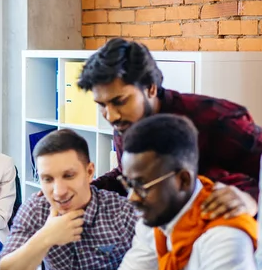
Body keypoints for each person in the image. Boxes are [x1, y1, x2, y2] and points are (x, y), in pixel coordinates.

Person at [14, 115, 258, 270]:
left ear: (182, 180)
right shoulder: (158, 218)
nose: (131, 197)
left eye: (141, 185)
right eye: (128, 184)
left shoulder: (223, 238)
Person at [77, 37, 262, 214]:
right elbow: (129, 175)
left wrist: (251, 198)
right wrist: (83, 192)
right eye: (102, 105)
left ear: (150, 88)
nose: (111, 116)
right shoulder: (125, 122)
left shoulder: (215, 118)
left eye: (120, 101)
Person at [0, 129, 138, 270]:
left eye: (69, 176)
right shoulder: (37, 209)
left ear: (89, 172)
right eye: (48, 179)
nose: (59, 191)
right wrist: (46, 237)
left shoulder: (123, 212)